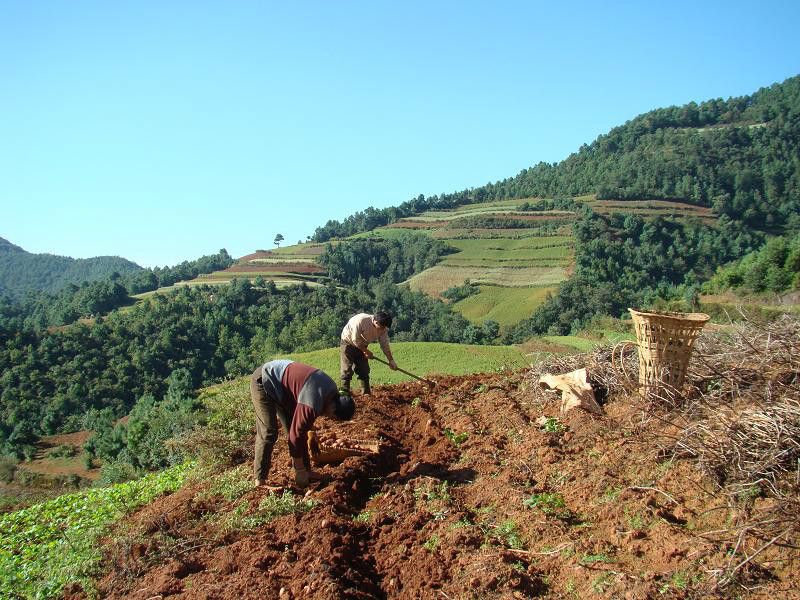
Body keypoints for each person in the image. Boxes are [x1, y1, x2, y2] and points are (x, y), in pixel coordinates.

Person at [250, 359, 355, 488]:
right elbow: (295, 435)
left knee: (297, 428)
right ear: (333, 409)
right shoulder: (313, 401)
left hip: (284, 387)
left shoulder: (331, 392)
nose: (328, 417)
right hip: (265, 379)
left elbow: (302, 425)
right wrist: (299, 471)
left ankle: (307, 471)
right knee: (269, 432)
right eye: (333, 416)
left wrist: (312, 435)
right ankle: (260, 481)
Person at [340, 311, 398, 395]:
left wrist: (391, 360)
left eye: (384, 327)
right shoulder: (361, 321)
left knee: (364, 369)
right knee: (347, 369)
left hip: (363, 345)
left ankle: (366, 393)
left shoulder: (383, 329)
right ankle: (344, 393)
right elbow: (355, 340)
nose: (383, 329)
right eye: (381, 327)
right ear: (376, 321)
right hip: (348, 342)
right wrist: (366, 351)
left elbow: (384, 344)